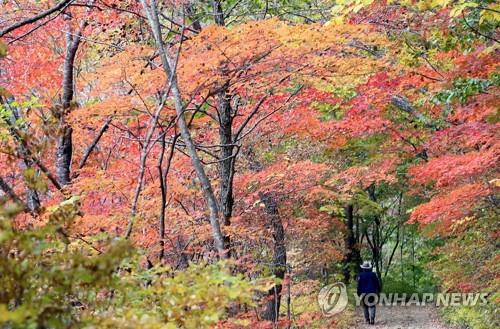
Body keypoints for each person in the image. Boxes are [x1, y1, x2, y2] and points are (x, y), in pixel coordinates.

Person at [357, 260, 380, 325]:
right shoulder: (373, 274)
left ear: (363, 268)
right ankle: (372, 319)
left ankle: (367, 320)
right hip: (372, 292)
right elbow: (377, 284)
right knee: (372, 306)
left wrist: (358, 293)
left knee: (365, 307)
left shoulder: (360, 275)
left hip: (363, 293)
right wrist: (378, 291)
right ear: (369, 268)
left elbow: (358, 285)